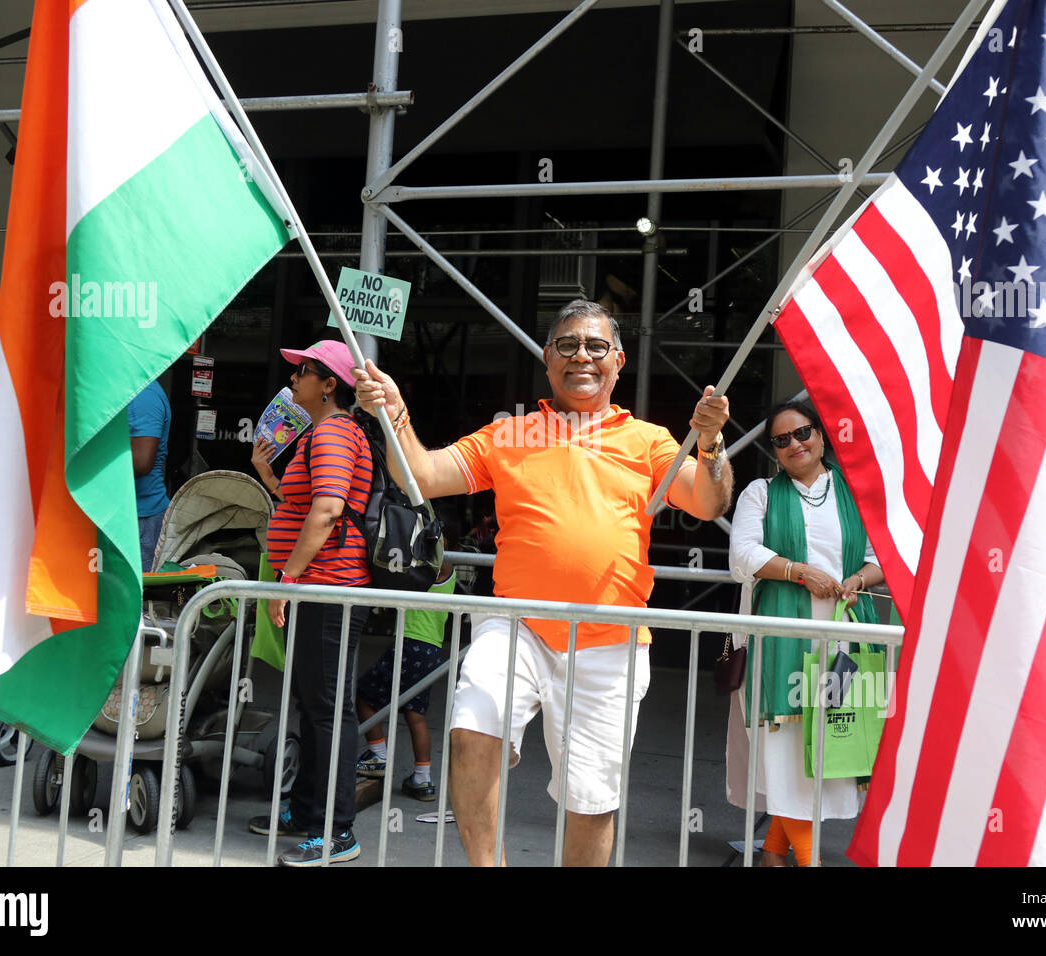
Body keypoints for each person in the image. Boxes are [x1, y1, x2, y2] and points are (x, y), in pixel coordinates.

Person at [355, 298, 733, 866]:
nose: (582, 355)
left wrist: (710, 446)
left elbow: (708, 501)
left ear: (619, 361)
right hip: (517, 626)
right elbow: (425, 477)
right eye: (567, 344)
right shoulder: (509, 433)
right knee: (471, 725)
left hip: (611, 638)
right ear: (546, 358)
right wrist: (397, 415)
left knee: (592, 800)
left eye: (596, 346)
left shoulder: (651, 440)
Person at [726, 400, 883, 866]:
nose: (795, 444)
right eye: (782, 439)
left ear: (821, 435)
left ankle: (774, 852)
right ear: (774, 451)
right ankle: (808, 859)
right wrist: (799, 572)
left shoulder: (854, 493)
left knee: (832, 739)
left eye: (803, 433)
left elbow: (881, 557)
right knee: (787, 748)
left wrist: (856, 581)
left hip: (843, 640)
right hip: (781, 641)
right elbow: (743, 557)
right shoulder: (761, 493)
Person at [248, 339, 374, 866]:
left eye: (303, 371)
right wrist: (267, 473)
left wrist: (288, 579)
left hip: (327, 591)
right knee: (314, 704)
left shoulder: (333, 432)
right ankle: (304, 813)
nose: (292, 379)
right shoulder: (324, 434)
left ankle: (337, 831)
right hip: (320, 588)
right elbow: (302, 505)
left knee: (329, 712)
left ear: (329, 385)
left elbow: (326, 511)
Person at [355, 519, 460, 802]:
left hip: (411, 644)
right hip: (430, 650)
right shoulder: (440, 571)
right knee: (415, 715)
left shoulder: (439, 566)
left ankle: (378, 755)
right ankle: (422, 779)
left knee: (364, 696)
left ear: (445, 543)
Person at [127, 379, 171, 572]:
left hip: (141, 520)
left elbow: (141, 462)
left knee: (133, 599)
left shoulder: (143, 394)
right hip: (127, 515)